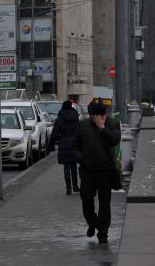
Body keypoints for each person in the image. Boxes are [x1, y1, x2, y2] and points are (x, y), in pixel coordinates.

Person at [72, 101, 121, 244]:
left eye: (103, 115)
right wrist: (81, 159)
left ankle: (103, 232)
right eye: (97, 116)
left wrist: (102, 127)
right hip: (87, 170)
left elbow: (115, 140)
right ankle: (92, 222)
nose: (101, 118)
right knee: (86, 199)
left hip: (105, 170)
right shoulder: (82, 125)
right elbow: (74, 146)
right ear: (92, 116)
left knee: (105, 202)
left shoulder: (112, 123)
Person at [48, 100, 80, 195]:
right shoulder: (75, 117)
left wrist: (51, 146)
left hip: (64, 144)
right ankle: (75, 186)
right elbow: (79, 130)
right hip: (74, 144)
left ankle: (68, 188)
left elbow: (54, 133)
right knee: (74, 166)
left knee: (66, 167)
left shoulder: (60, 118)